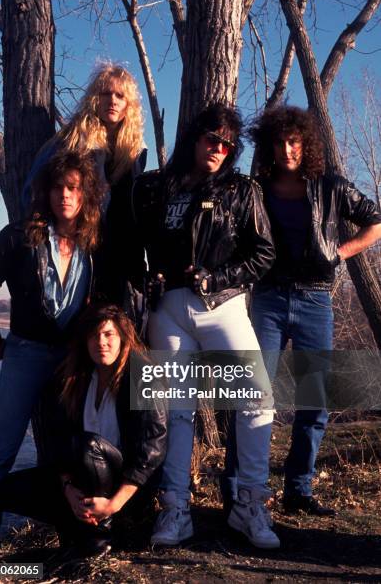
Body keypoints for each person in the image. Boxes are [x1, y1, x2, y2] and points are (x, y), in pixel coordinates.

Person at [133, 104, 280, 549]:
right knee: (176, 412)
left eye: (227, 144)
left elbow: (263, 253)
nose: (218, 149)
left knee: (256, 399)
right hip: (168, 310)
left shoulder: (241, 189)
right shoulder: (158, 186)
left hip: (222, 305)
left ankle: (249, 504)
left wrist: (216, 279)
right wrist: (148, 279)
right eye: (211, 140)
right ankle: (176, 508)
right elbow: (135, 244)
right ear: (195, 138)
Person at [0, 151, 104, 561]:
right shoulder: (18, 236)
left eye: (73, 189)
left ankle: (78, 544)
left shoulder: (90, 245)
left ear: (84, 197)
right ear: (45, 192)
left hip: (69, 361)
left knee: (74, 454)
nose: (65, 195)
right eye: (58, 187)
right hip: (24, 354)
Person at [248, 105, 381, 515]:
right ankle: (244, 490)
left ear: (306, 145)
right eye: (280, 142)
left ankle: (298, 490)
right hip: (267, 299)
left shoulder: (330, 186)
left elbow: (375, 221)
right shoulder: (257, 187)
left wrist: (341, 253)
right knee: (254, 395)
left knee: (314, 400)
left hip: (315, 300)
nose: (288, 149)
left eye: (295, 142)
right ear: (270, 145)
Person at [0, 304, 167, 557]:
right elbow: (57, 440)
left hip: (125, 491)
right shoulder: (74, 380)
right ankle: (77, 525)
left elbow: (152, 450)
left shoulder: (144, 378)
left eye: (109, 334)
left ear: (122, 339)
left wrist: (113, 504)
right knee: (2, 491)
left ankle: (101, 534)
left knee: (90, 446)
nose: (101, 342)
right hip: (80, 480)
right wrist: (67, 488)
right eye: (94, 335)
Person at [22, 62, 147, 316]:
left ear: (129, 105)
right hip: (82, 245)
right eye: (105, 93)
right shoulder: (72, 139)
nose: (112, 100)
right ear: (94, 99)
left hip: (123, 253)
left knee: (120, 329)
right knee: (82, 326)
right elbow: (32, 190)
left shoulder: (135, 150)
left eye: (120, 95)